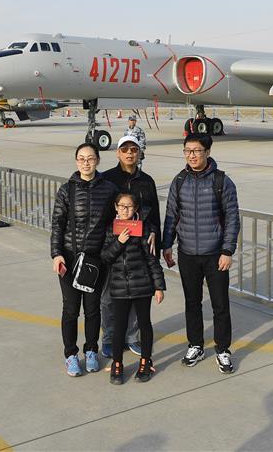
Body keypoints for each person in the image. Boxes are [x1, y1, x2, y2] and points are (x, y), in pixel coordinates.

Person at [162, 132, 241, 373]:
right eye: (187, 151)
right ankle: (195, 344)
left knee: (220, 304)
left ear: (207, 152)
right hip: (187, 253)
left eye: (196, 151)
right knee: (192, 302)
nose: (192, 155)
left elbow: (232, 219)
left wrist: (227, 250)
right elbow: (171, 215)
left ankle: (223, 349)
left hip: (215, 253)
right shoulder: (179, 181)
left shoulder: (221, 181)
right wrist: (167, 245)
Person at [50, 142, 118, 377]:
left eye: (90, 158)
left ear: (98, 160)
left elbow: (114, 221)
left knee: (92, 309)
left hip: (94, 261)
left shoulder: (109, 189)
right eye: (81, 158)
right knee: (70, 309)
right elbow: (57, 224)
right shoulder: (66, 190)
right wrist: (56, 254)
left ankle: (91, 350)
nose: (86, 162)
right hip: (69, 259)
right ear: (76, 161)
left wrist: (107, 250)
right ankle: (71, 354)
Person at [99, 135, 161, 358]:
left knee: (137, 295)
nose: (129, 153)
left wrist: (155, 234)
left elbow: (154, 214)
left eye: (133, 149)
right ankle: (108, 337)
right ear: (117, 153)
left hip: (138, 247)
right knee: (108, 298)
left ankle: (132, 337)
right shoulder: (106, 179)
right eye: (124, 149)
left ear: (139, 153)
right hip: (114, 245)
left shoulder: (147, 181)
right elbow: (102, 213)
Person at [101, 192, 166, 384]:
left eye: (129, 206)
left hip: (142, 285)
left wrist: (158, 286)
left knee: (144, 324)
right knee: (119, 326)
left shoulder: (143, 229)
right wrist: (118, 242)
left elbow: (152, 260)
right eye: (121, 206)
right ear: (115, 207)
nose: (125, 210)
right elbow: (105, 257)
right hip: (119, 287)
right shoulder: (110, 229)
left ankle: (146, 361)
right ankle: (117, 363)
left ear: (136, 209)